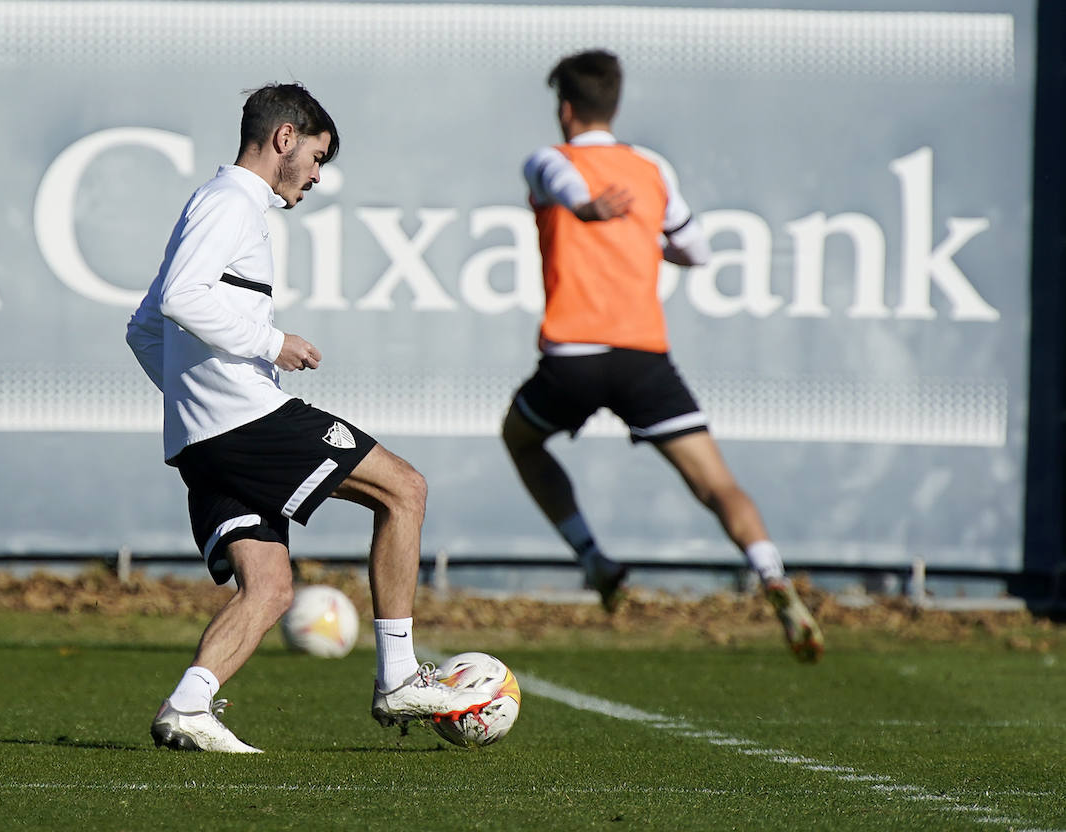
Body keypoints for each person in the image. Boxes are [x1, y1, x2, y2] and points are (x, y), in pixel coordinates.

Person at [126, 83, 491, 752]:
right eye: (317, 157)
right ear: (284, 139)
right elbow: (179, 299)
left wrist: (190, 403)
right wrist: (270, 345)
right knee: (404, 488)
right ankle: (399, 675)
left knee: (268, 588)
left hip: (203, 438)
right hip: (245, 420)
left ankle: (188, 706)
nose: (318, 175)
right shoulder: (231, 202)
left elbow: (143, 328)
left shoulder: (217, 205)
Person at [501, 50, 824, 663]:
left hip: (575, 355)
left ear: (565, 109)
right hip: (643, 356)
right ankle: (772, 574)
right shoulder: (651, 168)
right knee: (717, 482)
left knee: (519, 439)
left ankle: (594, 558)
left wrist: (584, 207)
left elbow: (560, 184)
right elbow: (696, 250)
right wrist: (646, 238)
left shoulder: (551, 159)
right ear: (613, 106)